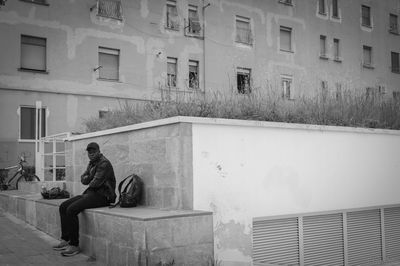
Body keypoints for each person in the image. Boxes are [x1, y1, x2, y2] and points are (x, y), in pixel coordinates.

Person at [53, 142, 116, 256]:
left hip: (103, 196)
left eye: (93, 152)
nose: (91, 154)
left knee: (71, 210)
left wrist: (90, 177)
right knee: (63, 206)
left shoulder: (104, 163)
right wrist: (90, 177)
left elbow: (95, 183)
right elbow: (83, 179)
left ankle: (74, 245)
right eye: (89, 152)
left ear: (98, 151)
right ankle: (65, 239)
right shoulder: (92, 164)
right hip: (91, 193)